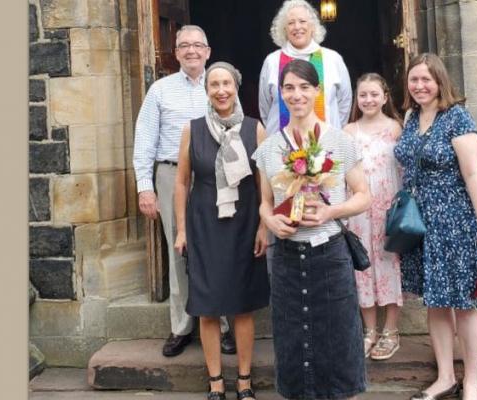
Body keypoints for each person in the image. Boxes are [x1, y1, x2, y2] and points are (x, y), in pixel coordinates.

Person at [252, 59, 371, 400]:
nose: (296, 94)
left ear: (317, 91)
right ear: (280, 94)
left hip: (330, 254)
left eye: (304, 87)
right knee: (292, 342)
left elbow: (364, 196)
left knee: (338, 340)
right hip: (288, 258)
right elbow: (263, 201)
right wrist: (270, 220)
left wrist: (331, 211)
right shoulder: (269, 149)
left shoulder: (339, 141)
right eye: (289, 88)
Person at [394, 53, 477, 400]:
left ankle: (470, 381)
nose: (420, 86)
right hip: (421, 224)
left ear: (440, 81)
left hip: (455, 221)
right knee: (436, 303)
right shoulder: (410, 117)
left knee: (465, 303)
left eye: (427, 79)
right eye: (414, 80)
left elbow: (473, 175)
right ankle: (444, 377)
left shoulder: (457, 118)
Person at [131, 25, 233, 358]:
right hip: (170, 174)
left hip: (214, 177)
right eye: (184, 46)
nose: (191, 51)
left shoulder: (219, 86)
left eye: (197, 45)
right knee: (179, 252)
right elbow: (145, 138)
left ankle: (222, 326)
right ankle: (181, 327)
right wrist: (145, 187)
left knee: (217, 250)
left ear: (208, 51)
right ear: (175, 53)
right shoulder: (160, 90)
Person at [174, 62, 270, 400]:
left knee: (242, 305)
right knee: (208, 306)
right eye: (214, 84)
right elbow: (182, 182)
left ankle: (244, 380)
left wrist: (263, 225)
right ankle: (215, 382)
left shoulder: (254, 129)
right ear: (207, 90)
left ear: (236, 86)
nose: (221, 90)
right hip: (203, 225)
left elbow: (265, 184)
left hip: (244, 224)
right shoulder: (192, 129)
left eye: (226, 83)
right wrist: (182, 230)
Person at [341, 73, 405, 361]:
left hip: (388, 209)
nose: (368, 100)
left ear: (385, 96)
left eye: (373, 94)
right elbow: (341, 174)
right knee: (362, 269)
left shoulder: (396, 128)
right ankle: (369, 330)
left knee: (390, 266)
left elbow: (404, 171)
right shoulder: (348, 132)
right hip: (358, 211)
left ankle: (391, 331)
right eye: (363, 95)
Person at [257, 0, 352, 133]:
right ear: (284, 29)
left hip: (326, 144)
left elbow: (344, 103)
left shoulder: (332, 59)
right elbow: (265, 106)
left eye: (302, 21)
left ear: (313, 26)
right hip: (281, 145)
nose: (297, 27)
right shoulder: (272, 61)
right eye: (291, 23)